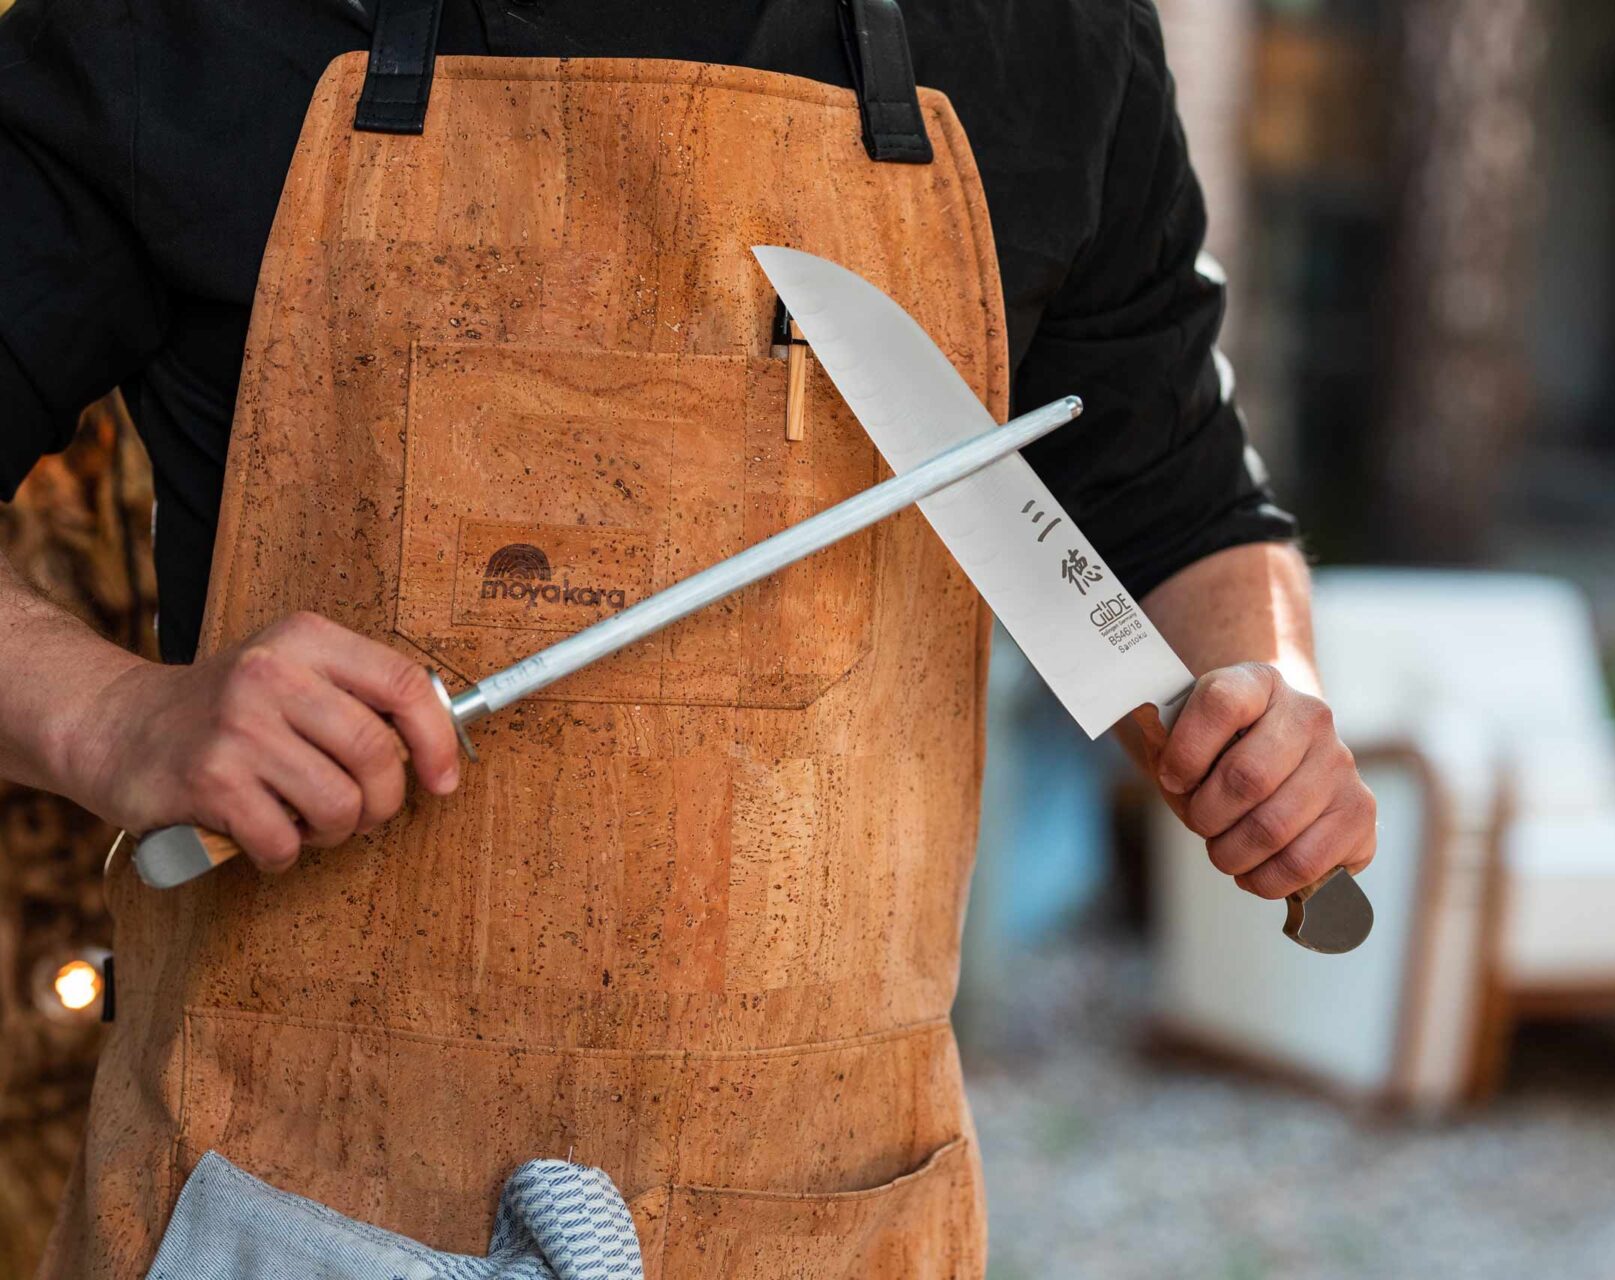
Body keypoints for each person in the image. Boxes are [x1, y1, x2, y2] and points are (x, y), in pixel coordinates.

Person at [0, 0, 1376, 1275]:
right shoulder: (185, 23)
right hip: (282, 1211)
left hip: (837, 1220)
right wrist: (115, 719)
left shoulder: (1046, 31)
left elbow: (1189, 504)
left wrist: (1270, 689)